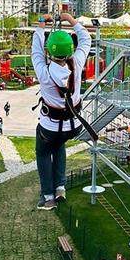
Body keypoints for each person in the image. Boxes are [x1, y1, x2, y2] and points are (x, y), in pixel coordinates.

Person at [32, 12, 91, 210]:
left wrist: (42, 23)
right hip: (73, 125)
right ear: (71, 50)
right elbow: (86, 39)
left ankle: (48, 197)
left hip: (50, 127)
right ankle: (60, 188)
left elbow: (36, 49)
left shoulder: (44, 72)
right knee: (59, 144)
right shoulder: (77, 63)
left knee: (43, 153)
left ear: (50, 51)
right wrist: (70, 19)